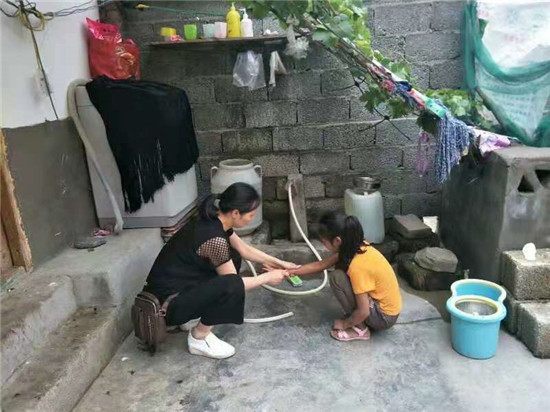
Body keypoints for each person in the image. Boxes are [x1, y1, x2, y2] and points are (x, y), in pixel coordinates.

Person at [144, 183, 299, 359]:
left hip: (174, 292)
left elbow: (244, 249)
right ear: (235, 213)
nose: (252, 219)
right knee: (231, 287)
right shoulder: (214, 239)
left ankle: (189, 317)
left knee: (234, 256)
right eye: (251, 215)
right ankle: (199, 338)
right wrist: (267, 277)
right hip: (166, 306)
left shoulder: (214, 219)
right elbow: (232, 284)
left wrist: (280, 263)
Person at [284, 210, 402, 341]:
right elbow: (321, 265)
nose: (323, 245)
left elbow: (364, 311)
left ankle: (361, 330)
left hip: (383, 318)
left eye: (324, 242)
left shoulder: (358, 266)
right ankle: (357, 321)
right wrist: (289, 271)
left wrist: (345, 324)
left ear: (337, 241)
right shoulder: (357, 247)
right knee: (340, 275)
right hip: (385, 310)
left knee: (337, 278)